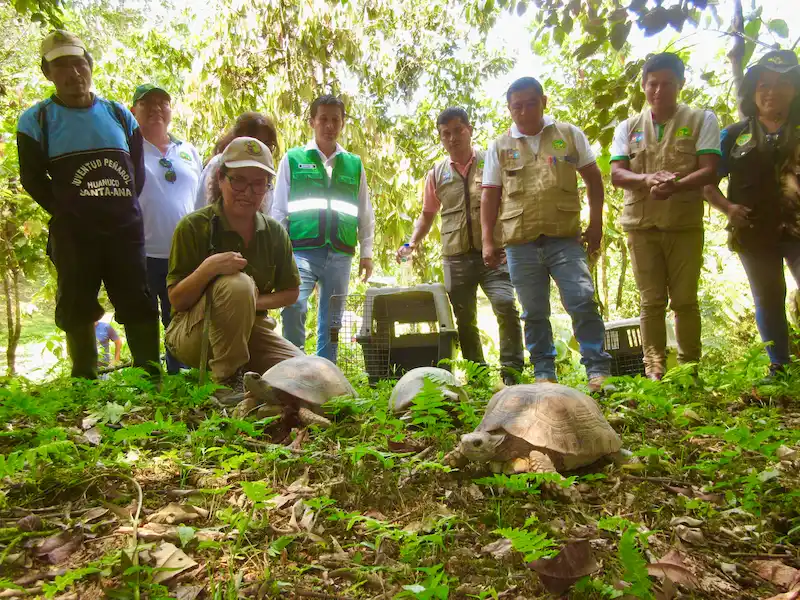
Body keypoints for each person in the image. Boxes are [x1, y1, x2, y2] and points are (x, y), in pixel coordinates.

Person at [16, 30, 160, 380]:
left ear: (90, 66)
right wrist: (69, 211)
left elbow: (136, 173)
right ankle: (84, 381)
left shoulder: (118, 115)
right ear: (47, 72)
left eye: (79, 63)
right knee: (77, 305)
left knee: (138, 301)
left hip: (125, 231)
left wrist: (117, 206)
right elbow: (32, 179)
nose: (73, 73)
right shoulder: (37, 121)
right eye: (61, 65)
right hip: (74, 236)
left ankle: (151, 376)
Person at [481, 76, 611, 392]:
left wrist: (595, 226)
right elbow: (490, 196)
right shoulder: (500, 146)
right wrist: (488, 240)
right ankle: (544, 372)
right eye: (517, 106)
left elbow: (594, 180)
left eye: (530, 103)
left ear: (544, 102)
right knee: (533, 311)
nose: (523, 112)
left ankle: (598, 370)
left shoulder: (568, 135)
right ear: (509, 109)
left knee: (581, 300)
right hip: (520, 243)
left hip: (564, 238)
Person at [610, 53, 721, 381]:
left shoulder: (702, 120)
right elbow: (617, 174)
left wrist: (675, 185)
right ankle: (655, 370)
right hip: (641, 227)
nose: (659, 90)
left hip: (684, 224)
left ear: (681, 84)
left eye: (667, 84)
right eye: (652, 84)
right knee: (651, 301)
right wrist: (645, 180)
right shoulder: (628, 128)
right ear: (644, 86)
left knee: (685, 300)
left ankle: (689, 370)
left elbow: (710, 169)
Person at [165, 137, 302, 401]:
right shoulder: (193, 227)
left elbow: (291, 292)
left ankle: (252, 382)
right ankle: (227, 381)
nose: (248, 192)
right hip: (191, 334)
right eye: (238, 180)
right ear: (220, 179)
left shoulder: (274, 233)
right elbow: (177, 300)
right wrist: (208, 269)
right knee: (237, 284)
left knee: (305, 374)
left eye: (258, 183)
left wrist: (249, 302)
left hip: (250, 330)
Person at [396, 107, 524, 385]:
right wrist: (411, 242)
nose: (453, 138)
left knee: (505, 305)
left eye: (458, 131)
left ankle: (512, 373)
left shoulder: (492, 161)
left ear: (470, 130)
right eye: (446, 134)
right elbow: (427, 214)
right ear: (441, 138)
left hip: (495, 253)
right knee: (465, 320)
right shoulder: (437, 173)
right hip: (455, 257)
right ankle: (478, 376)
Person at [704, 50, 800, 381]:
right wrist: (729, 208)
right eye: (764, 85)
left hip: (798, 228)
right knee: (769, 296)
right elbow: (708, 183)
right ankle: (780, 367)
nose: (771, 91)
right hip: (754, 232)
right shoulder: (733, 135)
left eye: (782, 84)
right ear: (753, 91)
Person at [271, 94, 375, 362]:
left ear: (342, 124)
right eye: (324, 119)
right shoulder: (293, 159)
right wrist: (278, 252)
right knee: (293, 306)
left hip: (340, 254)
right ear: (312, 122)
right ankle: (292, 367)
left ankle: (325, 373)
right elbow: (279, 210)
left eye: (335, 120)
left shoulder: (353, 164)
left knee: (332, 322)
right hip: (301, 253)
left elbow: (364, 211)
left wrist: (367, 252)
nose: (329, 126)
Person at [130, 83, 203, 374]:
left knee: (181, 317)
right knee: (145, 317)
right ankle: (148, 377)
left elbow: (200, 201)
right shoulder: (128, 149)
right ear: (134, 109)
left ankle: (181, 375)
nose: (156, 109)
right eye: (147, 103)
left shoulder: (188, 151)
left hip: (185, 254)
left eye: (163, 102)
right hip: (144, 253)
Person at [196, 112, 279, 213]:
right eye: (238, 180)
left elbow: (268, 214)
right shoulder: (218, 163)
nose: (260, 148)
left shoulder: (265, 176)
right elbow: (200, 207)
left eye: (267, 143)